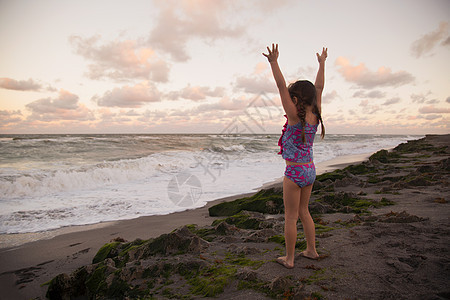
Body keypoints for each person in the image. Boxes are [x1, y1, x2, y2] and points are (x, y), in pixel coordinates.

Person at [263, 44, 327, 269]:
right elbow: (319, 86)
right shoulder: (315, 114)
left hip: (294, 172)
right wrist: (322, 64)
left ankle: (289, 259)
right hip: (310, 169)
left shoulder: (293, 115)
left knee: (290, 217)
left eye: (292, 96)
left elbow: (280, 86)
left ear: (297, 99)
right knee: (304, 211)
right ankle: (311, 250)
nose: (288, 97)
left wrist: (273, 62)